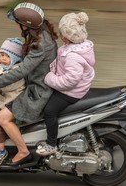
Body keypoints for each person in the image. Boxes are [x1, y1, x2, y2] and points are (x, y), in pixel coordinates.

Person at [0, 2, 58, 166]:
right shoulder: (41, 34)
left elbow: (23, 70)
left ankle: (23, 151)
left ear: (26, 25)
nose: (16, 24)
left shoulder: (40, 44)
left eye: (18, 22)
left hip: (38, 91)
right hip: (37, 84)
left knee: (3, 117)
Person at [36, 12, 96, 156]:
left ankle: (51, 144)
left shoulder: (72, 56)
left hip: (72, 92)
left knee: (49, 110)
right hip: (77, 85)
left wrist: (49, 78)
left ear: (67, 36)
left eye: (62, 31)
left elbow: (69, 81)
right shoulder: (80, 46)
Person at [0, 38, 26, 169]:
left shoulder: (17, 71)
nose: (2, 59)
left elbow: (5, 84)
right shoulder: (4, 67)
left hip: (14, 102)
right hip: (5, 101)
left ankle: (0, 151)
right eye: (1, 55)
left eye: (6, 56)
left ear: (14, 58)